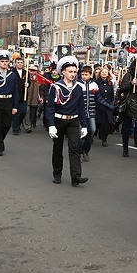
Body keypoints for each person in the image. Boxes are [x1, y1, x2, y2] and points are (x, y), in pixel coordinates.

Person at [45, 56, 89, 186]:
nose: (73, 74)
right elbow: (50, 108)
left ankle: (76, 176)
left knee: (75, 148)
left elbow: (81, 108)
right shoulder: (56, 87)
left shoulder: (78, 88)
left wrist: (84, 125)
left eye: (75, 72)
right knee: (57, 148)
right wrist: (51, 125)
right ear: (63, 72)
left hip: (73, 121)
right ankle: (57, 173)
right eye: (70, 71)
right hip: (59, 120)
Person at [78, 65, 99, 162]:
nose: (84, 76)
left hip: (91, 112)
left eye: (86, 74)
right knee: (81, 133)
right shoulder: (77, 84)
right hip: (80, 113)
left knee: (92, 131)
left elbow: (98, 98)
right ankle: (78, 152)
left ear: (90, 75)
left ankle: (85, 150)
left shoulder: (94, 85)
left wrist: (109, 106)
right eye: (82, 74)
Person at [95, 65, 116, 147]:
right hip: (99, 106)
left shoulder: (110, 83)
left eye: (105, 72)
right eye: (102, 72)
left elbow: (112, 95)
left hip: (108, 106)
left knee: (106, 124)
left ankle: (104, 139)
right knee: (99, 123)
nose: (104, 73)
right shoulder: (96, 83)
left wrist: (112, 104)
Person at [11, 56, 27, 135]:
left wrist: (28, 84)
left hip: (23, 95)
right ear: (15, 64)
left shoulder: (25, 72)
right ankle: (15, 129)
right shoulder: (12, 72)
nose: (20, 64)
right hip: (15, 95)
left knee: (23, 112)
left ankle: (18, 123)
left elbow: (29, 82)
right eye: (18, 63)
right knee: (15, 112)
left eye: (21, 63)